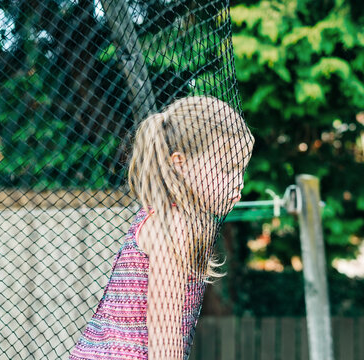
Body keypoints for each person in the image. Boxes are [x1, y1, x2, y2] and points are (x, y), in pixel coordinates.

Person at [69, 96, 254, 360]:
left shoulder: (161, 215)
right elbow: (164, 334)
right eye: (227, 169)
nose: (239, 183)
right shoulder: (175, 227)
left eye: (241, 170)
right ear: (179, 163)